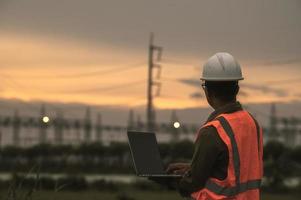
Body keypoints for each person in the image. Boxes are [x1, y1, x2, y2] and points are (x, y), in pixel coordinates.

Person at [153, 53, 263, 200]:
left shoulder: (213, 131)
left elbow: (193, 183)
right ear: (237, 89)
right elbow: (234, 171)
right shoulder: (252, 123)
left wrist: (167, 179)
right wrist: (192, 168)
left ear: (207, 91)